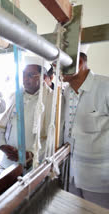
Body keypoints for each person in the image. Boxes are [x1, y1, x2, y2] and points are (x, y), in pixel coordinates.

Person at [63, 52, 109, 209]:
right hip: (71, 176)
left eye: (59, 63)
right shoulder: (66, 92)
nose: (54, 68)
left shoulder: (105, 87)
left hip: (100, 182)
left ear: (80, 62)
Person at [0, 56, 53, 170]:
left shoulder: (53, 100)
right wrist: (2, 145)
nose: (25, 79)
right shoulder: (15, 95)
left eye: (30, 75)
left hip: (33, 165)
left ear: (44, 77)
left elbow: (53, 136)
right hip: (8, 161)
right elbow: (2, 126)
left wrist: (30, 155)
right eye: (23, 74)